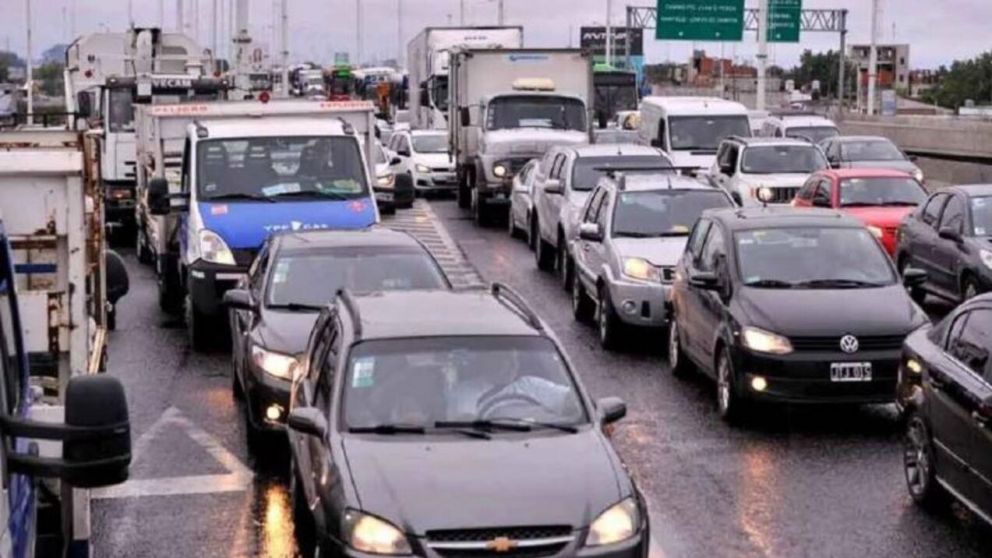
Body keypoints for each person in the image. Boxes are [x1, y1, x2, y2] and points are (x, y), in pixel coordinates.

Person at [446, 350, 577, 421]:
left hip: (548, 436)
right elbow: (466, 424)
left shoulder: (530, 384)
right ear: (488, 361)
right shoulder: (467, 391)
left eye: (515, 359)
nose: (513, 365)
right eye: (505, 359)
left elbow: (569, 399)